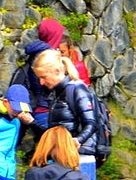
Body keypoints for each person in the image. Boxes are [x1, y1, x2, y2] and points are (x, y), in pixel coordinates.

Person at [32, 49, 98, 180]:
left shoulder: (77, 89)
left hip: (80, 158)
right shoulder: (56, 94)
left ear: (56, 71)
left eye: (43, 77)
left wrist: (77, 140)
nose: (41, 82)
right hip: (62, 158)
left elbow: (91, 123)